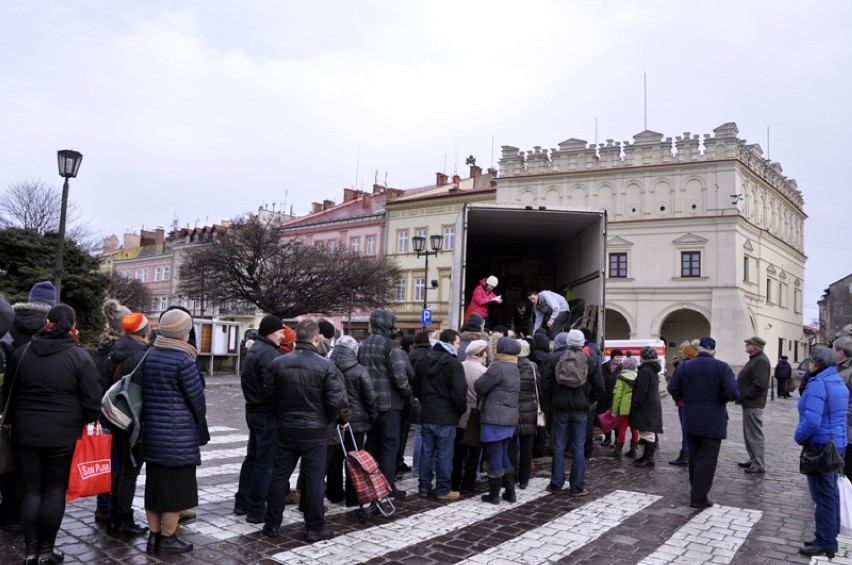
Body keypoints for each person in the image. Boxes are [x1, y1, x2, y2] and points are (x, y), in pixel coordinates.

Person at [5, 304, 101, 565]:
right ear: (72, 326)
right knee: (54, 490)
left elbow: (8, 396)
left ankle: (30, 551)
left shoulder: (22, 353)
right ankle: (46, 551)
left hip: (25, 432)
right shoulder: (80, 358)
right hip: (63, 435)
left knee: (32, 489)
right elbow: (93, 404)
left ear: (47, 322)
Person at [263, 319, 350, 542]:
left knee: (279, 476)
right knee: (313, 480)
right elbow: (335, 400)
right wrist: (329, 419)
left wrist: (282, 415)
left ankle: (272, 524)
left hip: (287, 428)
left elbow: (269, 396)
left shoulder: (278, 363)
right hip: (314, 430)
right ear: (315, 338)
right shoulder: (325, 365)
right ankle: (314, 527)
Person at [140, 308, 206, 556]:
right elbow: (197, 404)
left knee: (155, 488)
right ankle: (168, 539)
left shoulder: (150, 354)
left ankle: (153, 537)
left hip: (153, 434)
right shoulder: (183, 360)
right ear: (183, 333)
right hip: (177, 437)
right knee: (175, 492)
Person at [667, 336, 738, 509]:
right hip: (713, 420)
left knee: (695, 457)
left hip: (691, 418)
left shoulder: (685, 366)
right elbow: (732, 393)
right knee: (707, 460)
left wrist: (688, 395)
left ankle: (696, 491)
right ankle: (699, 497)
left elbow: (672, 388)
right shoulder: (722, 367)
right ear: (714, 351)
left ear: (699, 349)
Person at [794, 347, 848, 559]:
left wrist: (798, 436)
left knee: (822, 496)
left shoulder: (818, 384)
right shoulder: (838, 382)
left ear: (815, 364)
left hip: (819, 445)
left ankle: (825, 541)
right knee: (830, 494)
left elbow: (812, 421)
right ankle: (827, 536)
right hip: (836, 443)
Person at [100, 312, 150, 537]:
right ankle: (123, 519)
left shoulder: (113, 353)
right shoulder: (142, 356)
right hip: (133, 421)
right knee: (129, 472)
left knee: (119, 468)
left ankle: (113, 514)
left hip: (114, 418)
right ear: (144, 332)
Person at [234, 315, 285, 523]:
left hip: (254, 410)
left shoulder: (255, 350)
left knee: (253, 458)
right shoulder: (269, 354)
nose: (283, 335)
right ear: (271, 331)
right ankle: (256, 509)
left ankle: (242, 502)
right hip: (267, 413)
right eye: (280, 331)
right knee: (265, 462)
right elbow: (272, 388)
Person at [542, 330, 605, 497]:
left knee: (559, 445)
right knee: (578, 447)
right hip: (581, 410)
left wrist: (554, 400)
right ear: (582, 343)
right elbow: (600, 387)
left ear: (568, 342)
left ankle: (556, 484)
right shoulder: (591, 362)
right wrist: (588, 400)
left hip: (560, 408)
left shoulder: (554, 359)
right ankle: (577, 487)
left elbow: (545, 385)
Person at [358, 309, 411, 497]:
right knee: (390, 445)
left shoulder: (363, 345)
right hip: (390, 405)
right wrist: (408, 393)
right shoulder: (391, 346)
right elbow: (400, 377)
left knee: (372, 444)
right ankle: (387, 487)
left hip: (369, 403)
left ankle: (371, 484)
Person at [412, 329, 467, 501]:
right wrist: (460, 409)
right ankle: (443, 489)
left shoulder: (423, 361)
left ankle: (424, 487)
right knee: (444, 454)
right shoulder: (453, 364)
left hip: (428, 413)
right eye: (458, 343)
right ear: (450, 342)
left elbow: (416, 388)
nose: (458, 347)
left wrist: (426, 402)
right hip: (446, 415)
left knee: (427, 453)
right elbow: (459, 392)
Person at [329, 336, 377, 507]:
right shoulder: (359, 370)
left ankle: (334, 493)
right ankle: (352, 497)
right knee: (354, 458)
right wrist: (373, 416)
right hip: (356, 422)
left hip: (333, 421)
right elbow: (370, 398)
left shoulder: (327, 366)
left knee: (335, 458)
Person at [475, 337, 521, 504]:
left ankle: (494, 495)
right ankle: (510, 493)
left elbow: (480, 386)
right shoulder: (514, 368)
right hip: (509, 418)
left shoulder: (498, 368)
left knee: (495, 455)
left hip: (494, 418)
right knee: (502, 454)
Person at [451, 339, 488, 494]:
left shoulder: (459, 366)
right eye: (485, 351)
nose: (486, 354)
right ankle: (469, 483)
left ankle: (454, 481)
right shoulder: (483, 371)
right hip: (475, 416)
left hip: (459, 415)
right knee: (473, 453)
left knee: (457, 453)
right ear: (480, 353)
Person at [736, 336, 770, 474]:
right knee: (749, 434)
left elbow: (759, 384)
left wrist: (745, 396)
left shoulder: (760, 360)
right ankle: (753, 459)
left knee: (754, 434)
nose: (746, 346)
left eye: (748, 344)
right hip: (749, 402)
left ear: (754, 346)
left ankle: (758, 463)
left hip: (753, 403)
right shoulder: (755, 359)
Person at [512, 339, 540, 490]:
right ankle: (524, 480)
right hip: (530, 410)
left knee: (510, 446)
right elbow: (538, 388)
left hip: (513, 410)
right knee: (526, 447)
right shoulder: (533, 366)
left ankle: (510, 477)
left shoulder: (510, 365)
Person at [631, 347, 664, 468]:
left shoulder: (645, 370)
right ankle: (646, 457)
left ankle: (649, 458)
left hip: (646, 405)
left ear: (643, 357)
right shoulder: (652, 369)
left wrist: (636, 403)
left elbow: (642, 390)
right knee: (647, 431)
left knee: (647, 432)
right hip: (651, 404)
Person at [669, 341, 698, 466]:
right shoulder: (697, 366)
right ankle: (691, 453)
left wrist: (677, 396)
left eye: (682, 350)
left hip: (683, 402)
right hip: (695, 402)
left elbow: (673, 386)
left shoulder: (684, 366)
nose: (680, 352)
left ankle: (685, 454)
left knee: (685, 429)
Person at [609, 356, 640, 459]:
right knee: (635, 428)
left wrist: (614, 410)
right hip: (635, 407)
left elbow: (617, 395)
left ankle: (618, 452)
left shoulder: (620, 378)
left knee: (622, 428)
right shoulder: (638, 376)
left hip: (625, 407)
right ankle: (633, 450)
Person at [832, 336, 852, 482]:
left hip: (848, 430)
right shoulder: (838, 368)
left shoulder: (849, 372)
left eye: (833, 350)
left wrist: (844, 419)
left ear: (840, 353)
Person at [598, 348, 623, 447]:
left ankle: (617, 440)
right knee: (606, 419)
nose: (619, 359)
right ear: (612, 357)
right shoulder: (604, 366)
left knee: (616, 420)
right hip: (605, 397)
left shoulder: (622, 368)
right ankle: (607, 439)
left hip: (616, 397)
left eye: (620, 357)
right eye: (617, 357)